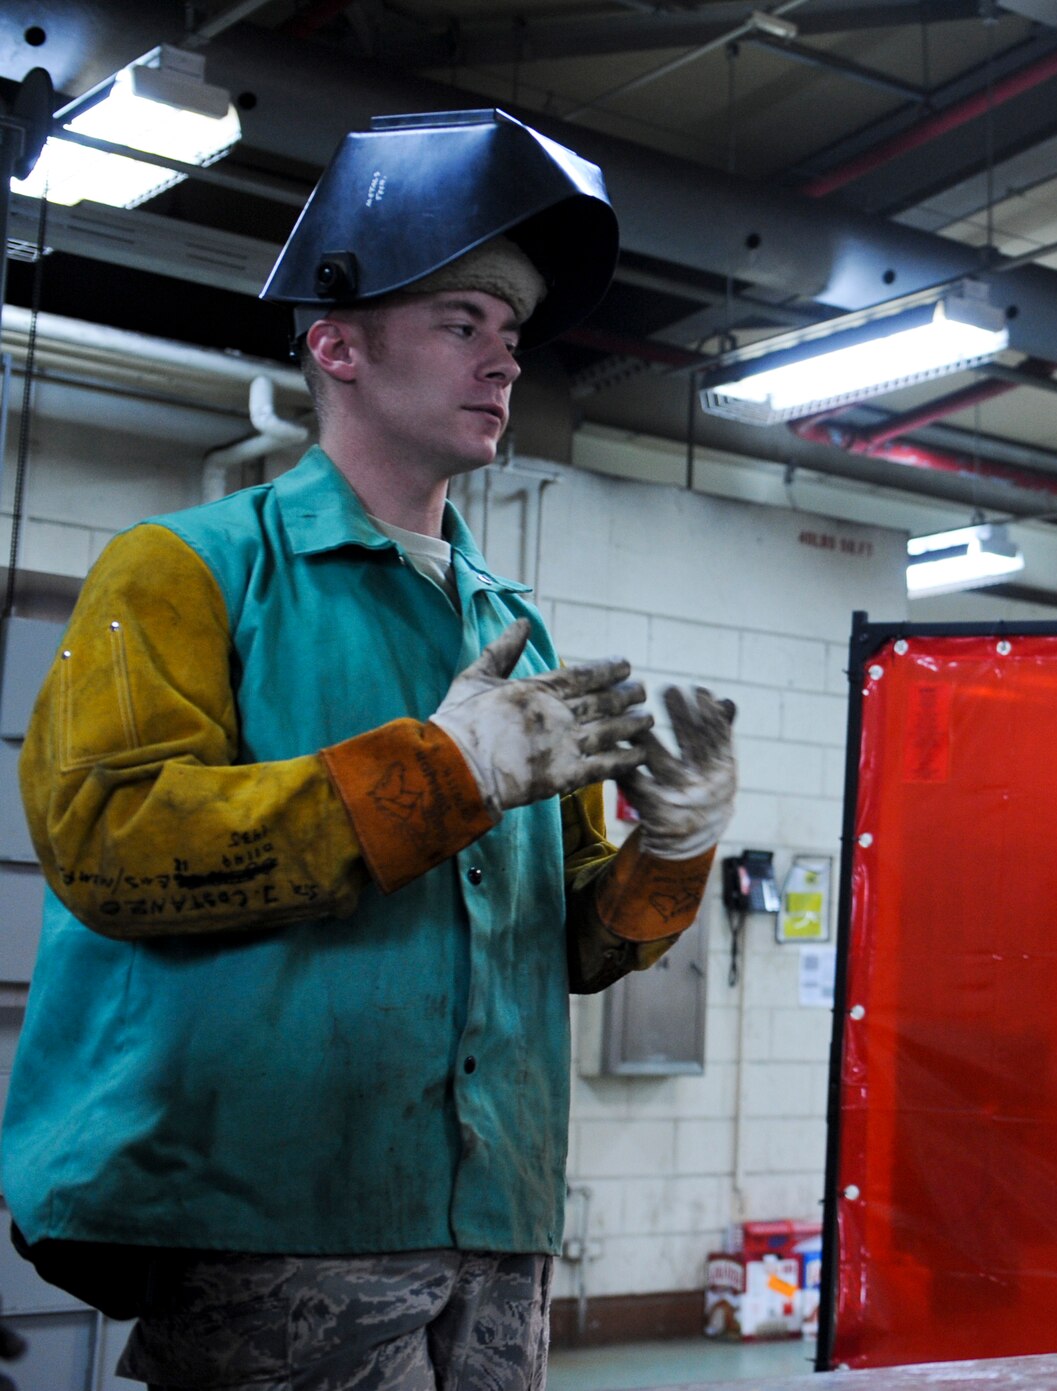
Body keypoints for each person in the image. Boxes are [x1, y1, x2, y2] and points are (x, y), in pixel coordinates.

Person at [1, 109, 735, 1388]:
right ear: (336, 344)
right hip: (274, 1222)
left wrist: (669, 849)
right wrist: (444, 776)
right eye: (462, 323)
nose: (503, 361)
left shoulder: (511, 628)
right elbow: (106, 844)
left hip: (493, 1223)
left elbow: (564, 941)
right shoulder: (183, 569)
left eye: (511, 336)